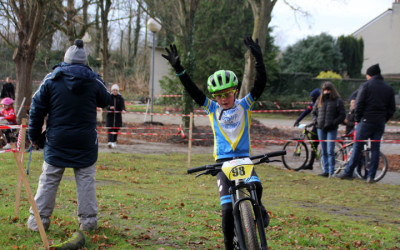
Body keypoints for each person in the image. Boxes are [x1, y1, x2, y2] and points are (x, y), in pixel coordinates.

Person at [162, 37, 267, 250]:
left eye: (227, 94)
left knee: (256, 185)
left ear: (234, 91)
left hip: (244, 160)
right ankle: (229, 245)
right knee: (227, 210)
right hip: (223, 164)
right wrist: (179, 69)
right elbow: (194, 92)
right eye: (218, 96)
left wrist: (258, 59)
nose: (223, 99)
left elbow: (260, 83)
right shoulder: (212, 109)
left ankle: (260, 208)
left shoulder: (244, 105)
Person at [27, 39, 111, 231]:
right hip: (85, 140)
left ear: (65, 60)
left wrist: (34, 135)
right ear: (84, 62)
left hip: (57, 138)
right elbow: (106, 99)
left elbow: (36, 108)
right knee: (86, 181)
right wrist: (97, 77)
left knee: (48, 179)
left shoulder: (51, 79)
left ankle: (37, 222)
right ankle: (88, 223)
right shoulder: (94, 80)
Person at [339, 64, 396, 183]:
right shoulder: (389, 88)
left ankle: (349, 172)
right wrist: (384, 119)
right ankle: (371, 176)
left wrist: (358, 119)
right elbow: (392, 108)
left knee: (357, 147)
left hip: (365, 122)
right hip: (379, 123)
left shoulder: (366, 86)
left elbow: (359, 104)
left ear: (370, 75)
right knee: (375, 149)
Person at [311, 81, 345, 177]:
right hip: (320, 128)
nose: (326, 92)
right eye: (325, 90)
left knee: (330, 150)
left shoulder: (337, 101)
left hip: (332, 128)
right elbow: (313, 112)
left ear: (332, 90)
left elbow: (342, 115)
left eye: (328, 90)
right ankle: (325, 170)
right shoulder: (319, 100)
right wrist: (316, 121)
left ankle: (332, 171)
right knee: (324, 150)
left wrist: (334, 122)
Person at [293, 88, 321, 170]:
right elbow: (305, 112)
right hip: (316, 125)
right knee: (313, 143)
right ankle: (310, 164)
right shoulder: (313, 104)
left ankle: (317, 159)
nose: (311, 99)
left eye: (312, 98)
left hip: (321, 125)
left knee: (317, 142)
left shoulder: (321, 103)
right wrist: (298, 120)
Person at [106, 83, 125, 149]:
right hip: (110, 117)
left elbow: (123, 106)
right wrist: (109, 107)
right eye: (114, 90)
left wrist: (123, 110)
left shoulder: (120, 98)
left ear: (118, 91)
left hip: (117, 118)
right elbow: (106, 105)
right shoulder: (109, 97)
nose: (115, 91)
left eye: (116, 90)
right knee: (110, 129)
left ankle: (114, 141)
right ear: (112, 90)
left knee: (116, 130)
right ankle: (110, 142)